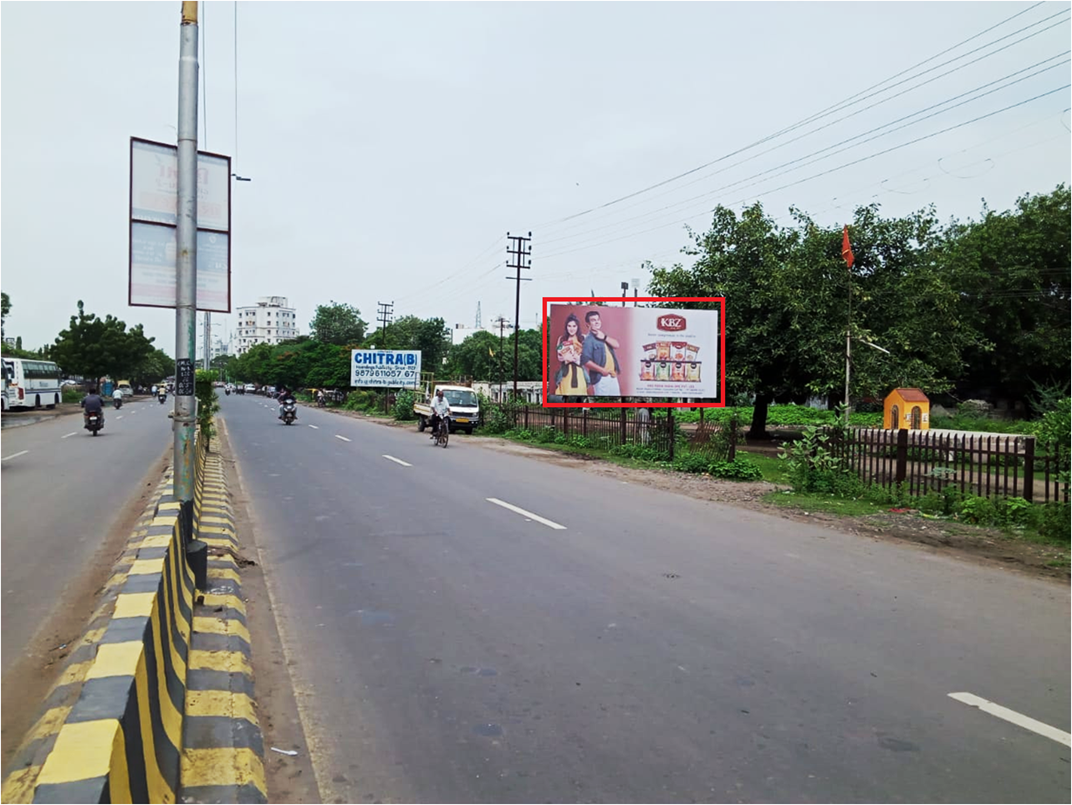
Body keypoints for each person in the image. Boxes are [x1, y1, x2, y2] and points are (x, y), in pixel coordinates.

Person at [581, 310, 621, 396]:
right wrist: (602, 370)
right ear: (588, 324)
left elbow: (617, 345)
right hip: (602, 378)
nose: (596, 322)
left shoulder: (602, 335)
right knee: (603, 403)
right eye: (593, 320)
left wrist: (604, 337)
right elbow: (585, 361)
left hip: (613, 376)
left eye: (598, 319)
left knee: (616, 403)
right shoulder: (588, 340)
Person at [554, 314, 589, 397]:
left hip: (579, 370)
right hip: (565, 371)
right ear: (566, 327)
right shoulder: (562, 339)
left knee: (582, 391)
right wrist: (565, 358)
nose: (571, 328)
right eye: (569, 326)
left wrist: (577, 358)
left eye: (574, 326)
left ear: (577, 327)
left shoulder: (583, 338)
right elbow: (559, 355)